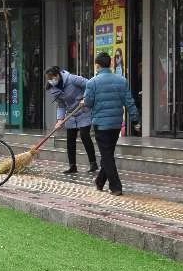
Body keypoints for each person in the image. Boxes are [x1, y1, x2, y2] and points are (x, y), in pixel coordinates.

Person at [83, 52, 140, 196]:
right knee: (107, 153)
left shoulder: (92, 82)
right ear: (110, 64)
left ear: (97, 65)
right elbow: (129, 102)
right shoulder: (121, 81)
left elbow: (88, 103)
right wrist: (135, 119)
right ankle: (100, 181)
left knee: (107, 155)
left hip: (101, 125)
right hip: (115, 125)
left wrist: (84, 102)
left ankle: (116, 186)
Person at [45, 66, 98, 174]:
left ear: (58, 75)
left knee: (84, 135)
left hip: (83, 110)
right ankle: (72, 166)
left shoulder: (72, 79)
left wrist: (85, 98)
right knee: (70, 139)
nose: (51, 80)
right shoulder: (53, 88)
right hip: (71, 114)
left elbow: (90, 85)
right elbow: (61, 104)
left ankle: (93, 163)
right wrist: (60, 119)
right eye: (49, 79)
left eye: (53, 77)